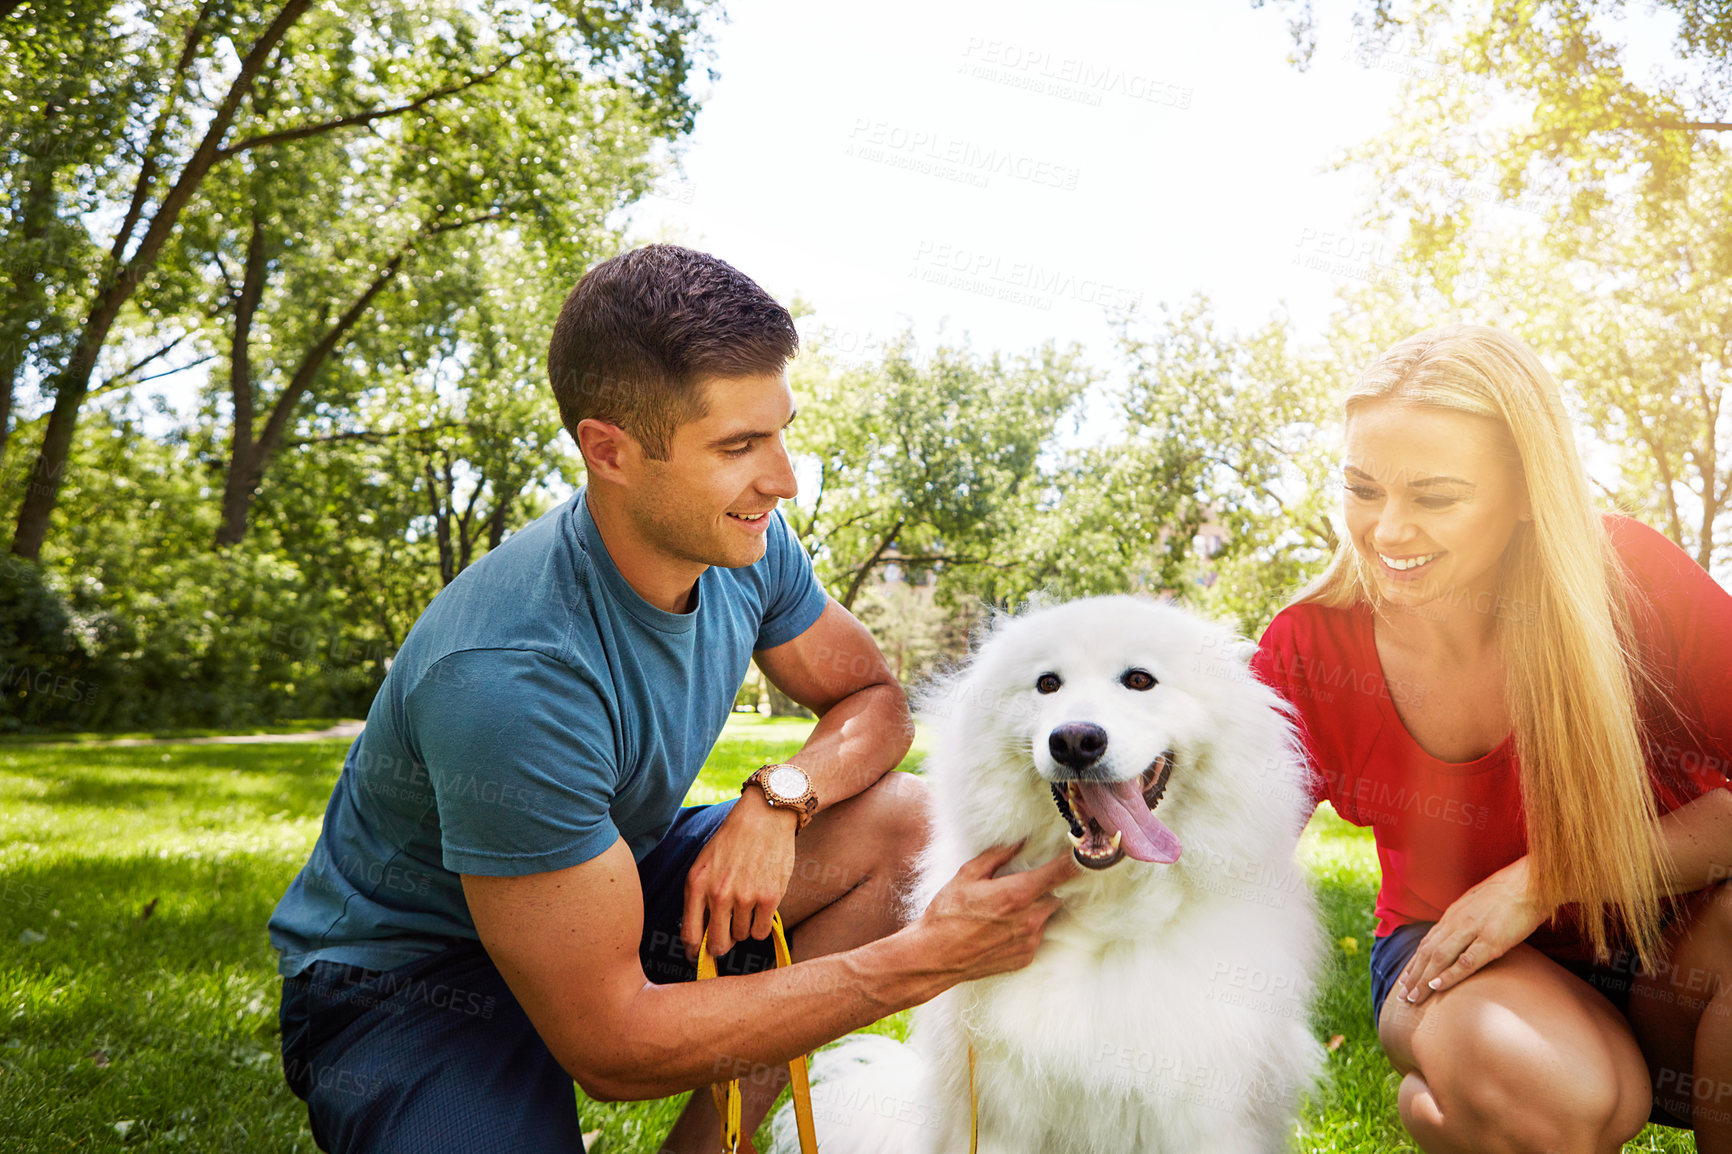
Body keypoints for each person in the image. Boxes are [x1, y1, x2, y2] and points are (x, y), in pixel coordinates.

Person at [266, 244, 1078, 1154]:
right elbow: (611, 1051)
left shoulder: (749, 541)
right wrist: (923, 960)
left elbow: (871, 697)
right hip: (409, 973)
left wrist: (782, 799)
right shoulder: (509, 673)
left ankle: (711, 1145)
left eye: (778, 431)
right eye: (738, 447)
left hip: (607, 886)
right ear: (608, 451)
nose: (783, 479)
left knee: (905, 822)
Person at [1251, 324, 1732, 1154]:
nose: (1389, 531)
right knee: (1568, 1096)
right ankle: (1475, 1099)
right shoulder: (1310, 648)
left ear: (1524, 489)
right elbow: (1219, 854)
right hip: (1449, 958)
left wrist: (1548, 881)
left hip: (1666, 942)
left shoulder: (1632, 581)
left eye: (1435, 497)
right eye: (1362, 490)